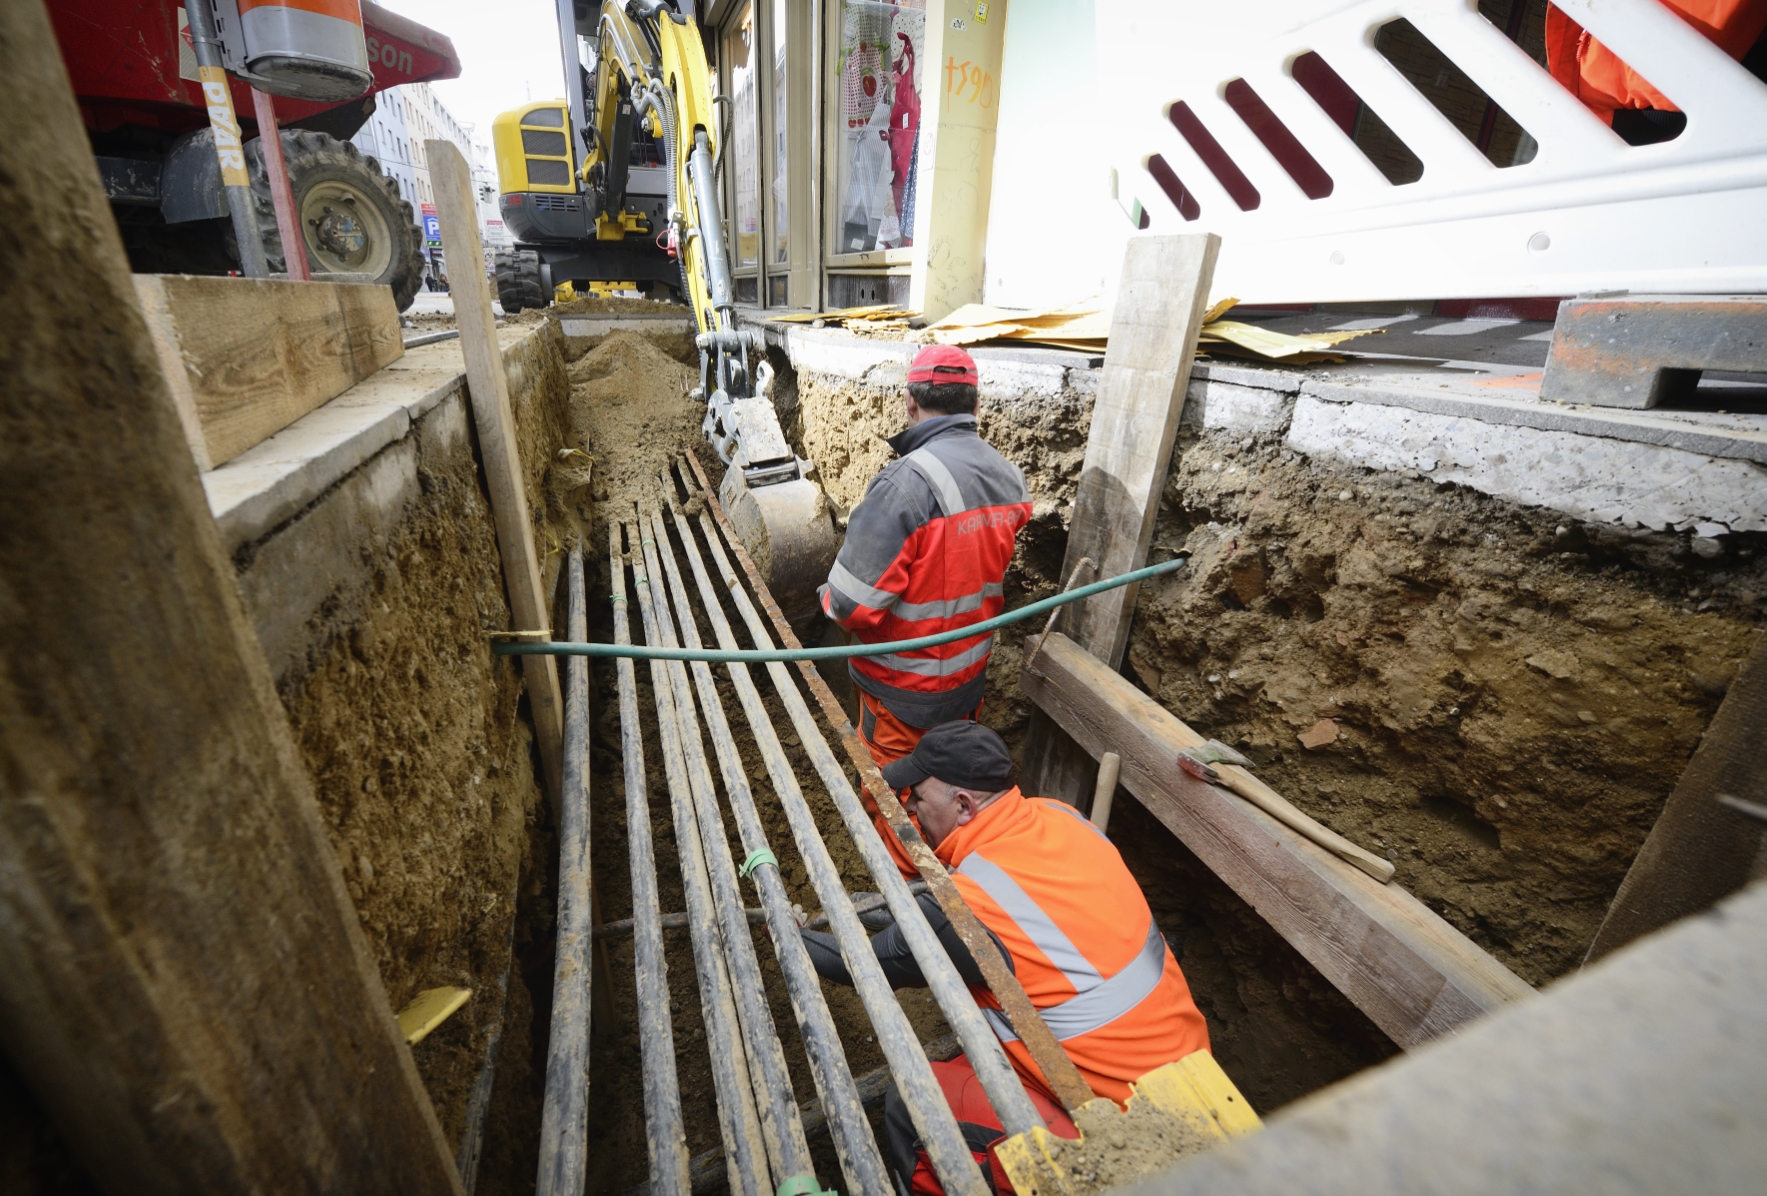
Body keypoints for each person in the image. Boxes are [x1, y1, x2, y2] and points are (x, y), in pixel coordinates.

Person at [798, 722, 1213, 1195]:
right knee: (969, 1065)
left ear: (963, 806)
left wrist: (789, 934)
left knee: (913, 1099)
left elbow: (859, 964)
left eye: (918, 795)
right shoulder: (1057, 816)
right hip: (1188, 1079)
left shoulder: (972, 906)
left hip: (1126, 1137)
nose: (908, 804)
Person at [820, 340, 1030, 770]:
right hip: (969, 685)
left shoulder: (903, 487)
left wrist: (825, 595)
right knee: (953, 788)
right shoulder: (1010, 479)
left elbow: (849, 605)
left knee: (897, 805)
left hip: (902, 701)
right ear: (975, 404)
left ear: (910, 402)